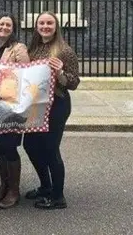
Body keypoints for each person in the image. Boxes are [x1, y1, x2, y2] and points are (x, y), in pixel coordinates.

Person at [23, 11, 80, 209]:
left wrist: (60, 73)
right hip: (37, 104)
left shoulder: (64, 51)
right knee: (30, 144)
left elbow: (74, 83)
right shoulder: (34, 47)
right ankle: (46, 185)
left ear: (56, 27)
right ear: (36, 27)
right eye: (42, 23)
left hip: (57, 104)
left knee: (50, 149)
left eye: (49, 23)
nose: (45, 26)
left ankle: (58, 196)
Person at [0, 13, 30, 209]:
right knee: (0, 145)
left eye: (8, 24)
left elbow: (26, 73)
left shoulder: (18, 48)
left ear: (13, 28)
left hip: (11, 105)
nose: (4, 27)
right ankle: (4, 185)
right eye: (1, 23)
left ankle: (14, 190)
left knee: (10, 146)